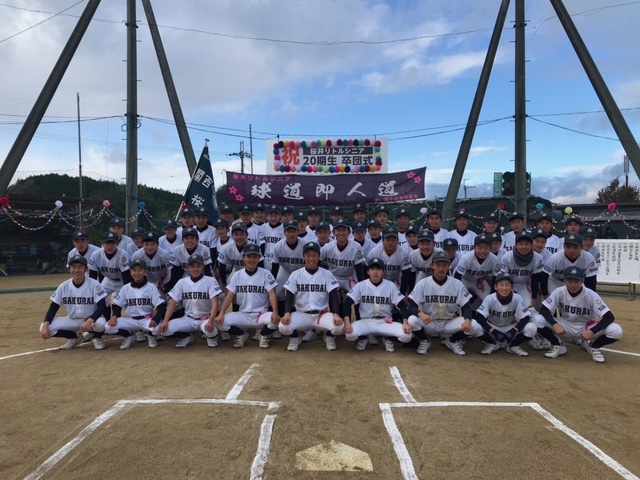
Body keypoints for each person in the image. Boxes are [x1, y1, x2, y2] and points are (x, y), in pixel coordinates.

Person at [407, 251, 485, 355]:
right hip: (429, 322)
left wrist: (467, 320)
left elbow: (466, 307)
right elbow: (411, 307)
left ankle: (452, 341)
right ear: (432, 266)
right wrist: (421, 314)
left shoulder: (457, 284)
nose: (441, 268)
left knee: (474, 325)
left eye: (444, 265)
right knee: (412, 320)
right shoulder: (422, 284)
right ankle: (424, 341)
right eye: (438, 265)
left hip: (449, 322)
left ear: (449, 266)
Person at [539, 266, 623, 362]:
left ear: (582, 281)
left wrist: (592, 331)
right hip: (565, 326)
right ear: (564, 281)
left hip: (586, 327)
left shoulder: (591, 295)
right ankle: (557, 345)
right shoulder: (559, 291)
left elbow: (609, 317)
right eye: (569, 281)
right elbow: (544, 310)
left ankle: (593, 346)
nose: (573, 285)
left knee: (616, 330)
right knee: (537, 320)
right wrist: (555, 324)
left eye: (576, 281)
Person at [279, 241, 344, 351]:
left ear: (319, 257)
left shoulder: (327, 274)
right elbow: (289, 296)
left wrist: (336, 314)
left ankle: (329, 336)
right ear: (303, 257)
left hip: (321, 315)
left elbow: (333, 296)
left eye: (314, 255)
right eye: (308, 255)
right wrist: (287, 314)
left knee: (339, 327)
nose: (311, 259)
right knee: (283, 326)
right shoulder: (296, 274)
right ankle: (295, 338)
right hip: (302, 314)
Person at [343, 258, 418, 352]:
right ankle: (364, 338)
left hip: (385, 322)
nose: (375, 272)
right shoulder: (360, 285)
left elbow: (402, 305)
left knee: (407, 336)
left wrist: (405, 323)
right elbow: (347, 303)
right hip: (366, 321)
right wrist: (347, 323)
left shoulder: (390, 285)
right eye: (372, 269)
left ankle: (388, 339)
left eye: (378, 269)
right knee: (349, 335)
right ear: (368, 271)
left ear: (383, 272)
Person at [214, 243, 280, 348]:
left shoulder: (266, 273)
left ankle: (263, 335)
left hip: (260, 315)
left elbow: (272, 294)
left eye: (255, 257)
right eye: (249, 256)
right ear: (243, 258)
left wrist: (275, 312)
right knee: (219, 322)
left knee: (278, 322)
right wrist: (221, 313)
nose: (252, 260)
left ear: (259, 258)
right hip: (242, 315)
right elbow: (229, 296)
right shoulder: (237, 275)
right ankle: (241, 334)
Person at [40, 255, 108, 350]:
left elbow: (102, 306)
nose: (77, 270)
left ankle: (97, 337)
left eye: (80, 267)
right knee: (43, 327)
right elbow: (53, 307)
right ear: (69, 269)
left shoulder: (95, 285)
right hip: (73, 319)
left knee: (101, 324)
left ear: (86, 269)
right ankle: (74, 337)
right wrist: (46, 324)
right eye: (73, 267)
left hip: (92, 320)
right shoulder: (63, 286)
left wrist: (90, 320)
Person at [157, 253, 222, 348]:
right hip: (188, 319)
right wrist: (165, 320)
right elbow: (172, 303)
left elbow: (215, 302)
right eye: (192, 266)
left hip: (205, 318)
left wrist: (211, 321)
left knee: (210, 332)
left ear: (203, 266)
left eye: (198, 266)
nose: (195, 269)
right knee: (164, 330)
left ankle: (211, 338)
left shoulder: (210, 281)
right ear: (188, 267)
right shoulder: (182, 282)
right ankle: (187, 336)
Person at [105, 258, 166, 349]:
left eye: (140, 270)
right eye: (134, 270)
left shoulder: (151, 287)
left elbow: (161, 306)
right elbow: (117, 305)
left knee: (159, 328)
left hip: (146, 319)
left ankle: (151, 335)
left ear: (145, 271)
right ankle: (129, 335)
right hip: (130, 320)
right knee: (108, 327)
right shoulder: (125, 288)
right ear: (130, 272)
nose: (137, 273)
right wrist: (114, 316)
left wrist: (156, 319)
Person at [474, 272, 540, 356]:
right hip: (493, 326)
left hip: (509, 326)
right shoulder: (489, 298)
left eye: (507, 285)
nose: (504, 288)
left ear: (512, 287)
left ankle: (513, 345)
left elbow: (525, 318)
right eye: (501, 285)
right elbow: (479, 317)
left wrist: (514, 330)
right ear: (495, 287)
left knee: (532, 327)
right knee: (473, 325)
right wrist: (493, 331)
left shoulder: (517, 298)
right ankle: (491, 343)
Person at [498, 231, 546, 308]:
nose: (524, 247)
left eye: (527, 244)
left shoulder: (537, 258)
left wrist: (534, 298)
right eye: (520, 244)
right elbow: (504, 277)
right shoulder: (507, 257)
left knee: (529, 307)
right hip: (508, 284)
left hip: (523, 284)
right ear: (515, 245)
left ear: (531, 245)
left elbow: (535, 279)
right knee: (506, 306)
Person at [454, 233, 500, 309]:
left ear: (490, 248)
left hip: (478, 280)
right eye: (480, 247)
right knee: (459, 300)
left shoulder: (494, 259)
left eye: (486, 248)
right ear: (474, 247)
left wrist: (492, 294)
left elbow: (496, 278)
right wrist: (461, 292)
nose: (483, 251)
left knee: (491, 300)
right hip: (463, 280)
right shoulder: (466, 258)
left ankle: (475, 312)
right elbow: (457, 276)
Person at [367, 226, 412, 293]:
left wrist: (402, 294)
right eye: (387, 240)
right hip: (378, 280)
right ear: (382, 240)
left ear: (397, 240)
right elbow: (366, 270)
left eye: (393, 240)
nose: (390, 243)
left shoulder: (404, 253)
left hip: (396, 280)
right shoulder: (374, 252)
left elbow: (406, 275)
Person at [88, 231, 132, 299]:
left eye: (112, 243)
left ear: (117, 244)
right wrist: (95, 289)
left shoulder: (123, 255)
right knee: (96, 297)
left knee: (118, 301)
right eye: (107, 243)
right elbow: (92, 276)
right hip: (108, 281)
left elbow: (126, 276)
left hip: (122, 282)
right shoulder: (96, 255)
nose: (109, 246)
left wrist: (127, 291)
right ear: (102, 244)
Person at [262, 205, 284, 271]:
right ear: (267, 215)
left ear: (279, 216)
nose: (273, 218)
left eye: (276, 216)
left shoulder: (284, 228)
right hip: (265, 259)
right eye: (271, 216)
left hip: (279, 260)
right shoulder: (263, 227)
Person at [579, 226, 600, 291]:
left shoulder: (595, 250)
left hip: (589, 274)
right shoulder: (574, 250)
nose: (588, 242)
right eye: (585, 239)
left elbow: (594, 271)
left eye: (591, 240)